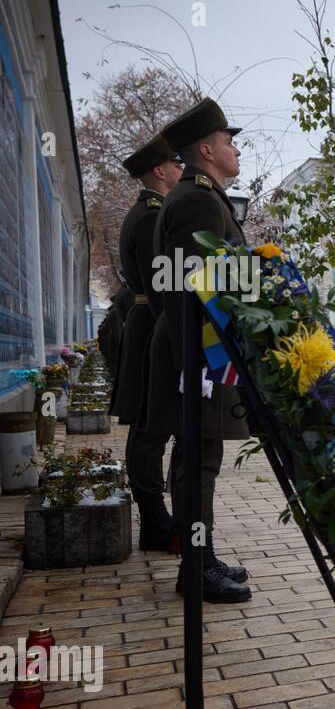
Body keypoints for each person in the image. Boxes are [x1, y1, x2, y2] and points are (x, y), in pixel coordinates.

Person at [149, 98, 253, 602]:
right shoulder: (197, 199)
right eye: (230, 143)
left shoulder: (201, 195)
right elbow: (198, 287)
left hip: (201, 349)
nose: (237, 151)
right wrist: (201, 362)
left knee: (198, 456)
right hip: (201, 350)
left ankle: (201, 556)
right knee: (199, 458)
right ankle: (196, 567)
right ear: (207, 150)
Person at [109, 133, 183, 552]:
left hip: (143, 321)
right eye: (175, 163)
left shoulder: (141, 212)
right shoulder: (154, 216)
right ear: (159, 170)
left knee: (146, 426)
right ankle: (155, 521)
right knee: (151, 427)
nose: (180, 169)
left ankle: (155, 518)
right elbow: (163, 285)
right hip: (153, 323)